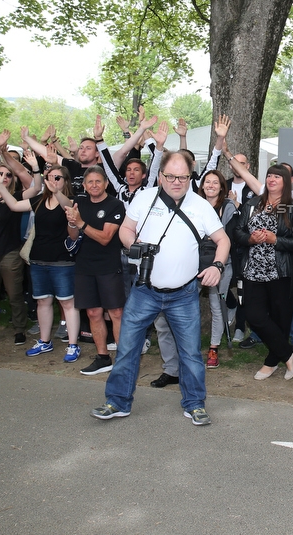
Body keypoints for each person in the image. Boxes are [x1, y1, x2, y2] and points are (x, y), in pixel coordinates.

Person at [92, 151, 230, 424]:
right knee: (127, 348)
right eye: (171, 176)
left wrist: (217, 266)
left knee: (190, 353)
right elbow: (125, 230)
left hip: (184, 294)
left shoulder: (200, 205)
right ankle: (117, 402)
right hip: (145, 290)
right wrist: (133, 245)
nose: (177, 182)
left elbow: (223, 240)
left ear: (191, 177)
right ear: (160, 175)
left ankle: (194, 404)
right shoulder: (144, 198)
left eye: (183, 177)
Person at [0, 166, 77, 361]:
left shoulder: (72, 200)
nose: (52, 180)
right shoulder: (39, 200)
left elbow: (68, 207)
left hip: (62, 261)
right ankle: (44, 341)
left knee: (68, 303)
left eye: (57, 177)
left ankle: (72, 345)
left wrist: (57, 192)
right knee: (43, 301)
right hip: (38, 259)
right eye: (49, 177)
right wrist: (0, 187)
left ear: (66, 180)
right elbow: (13, 205)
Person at [232, 166, 293, 380]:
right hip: (253, 270)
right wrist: (250, 239)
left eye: (277, 176)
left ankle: (272, 361)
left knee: (281, 318)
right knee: (254, 316)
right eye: (269, 175)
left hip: (280, 271)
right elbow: (238, 231)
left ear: (286, 181)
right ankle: (289, 352)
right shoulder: (253, 203)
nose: (272, 179)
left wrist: (276, 240)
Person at [65, 167, 127, 371]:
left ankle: (123, 359)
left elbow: (105, 238)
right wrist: (72, 222)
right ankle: (103, 357)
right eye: (89, 182)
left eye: (98, 181)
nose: (94, 185)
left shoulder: (115, 205)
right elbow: (73, 236)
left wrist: (81, 223)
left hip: (108, 266)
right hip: (84, 266)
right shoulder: (80, 203)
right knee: (93, 312)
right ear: (84, 185)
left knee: (116, 312)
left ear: (106, 183)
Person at [0, 153, 39, 345]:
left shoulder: (16, 197)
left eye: (8, 175)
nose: (5, 177)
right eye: (1, 174)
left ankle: (19, 329)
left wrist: (35, 168)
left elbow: (37, 189)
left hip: (11, 252)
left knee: (15, 294)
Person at [198, 170, 238, 368]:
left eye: (215, 182)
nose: (211, 186)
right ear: (202, 185)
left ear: (222, 187)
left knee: (216, 306)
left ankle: (214, 348)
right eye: (207, 182)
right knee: (185, 305)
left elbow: (228, 237)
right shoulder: (194, 204)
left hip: (220, 263)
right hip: (194, 263)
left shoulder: (228, 207)